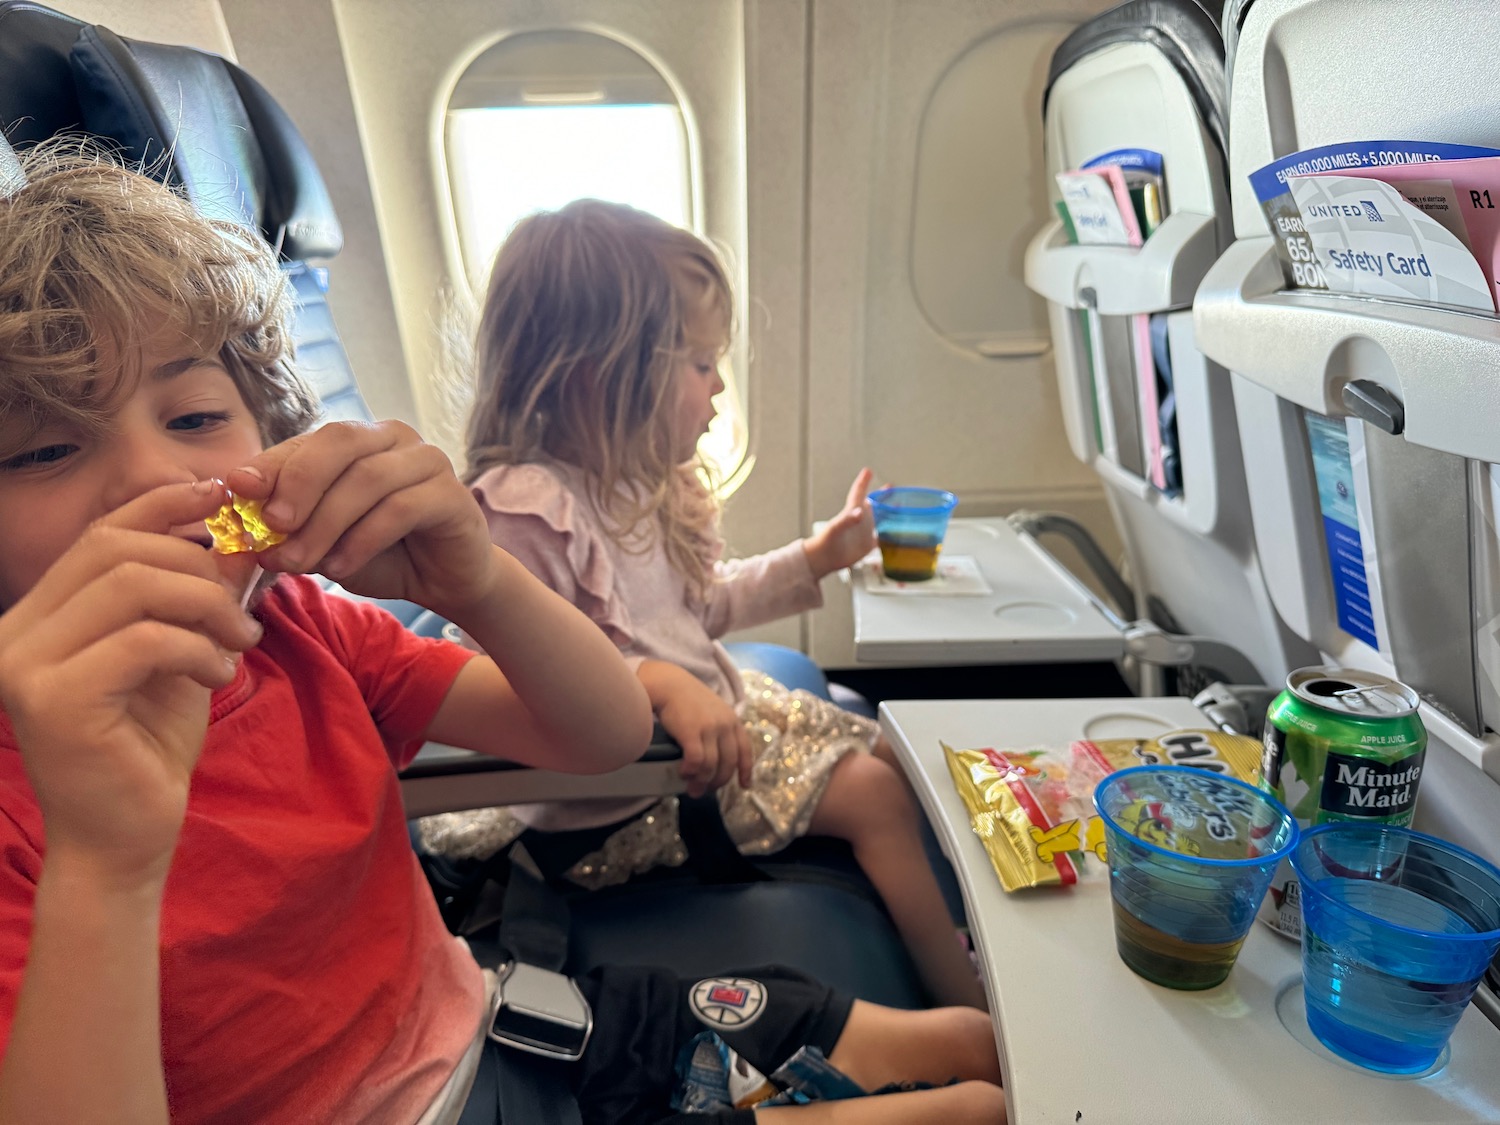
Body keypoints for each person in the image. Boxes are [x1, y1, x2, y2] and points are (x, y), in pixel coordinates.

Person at [0, 146, 1006, 1124]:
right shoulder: (27, 800)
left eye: (193, 418)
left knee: (974, 1065)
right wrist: (104, 863)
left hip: (509, 1022)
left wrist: (474, 580)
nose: (156, 482)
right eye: (44, 446)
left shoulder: (307, 634)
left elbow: (606, 738)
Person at [442, 199, 985, 1012]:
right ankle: (967, 1005)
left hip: (694, 733)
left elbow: (702, 608)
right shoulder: (525, 510)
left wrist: (815, 558)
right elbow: (504, 675)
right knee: (875, 797)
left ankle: (946, 928)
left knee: (887, 747)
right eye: (698, 362)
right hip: (620, 792)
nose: (719, 385)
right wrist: (656, 681)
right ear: (603, 372)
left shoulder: (634, 486)